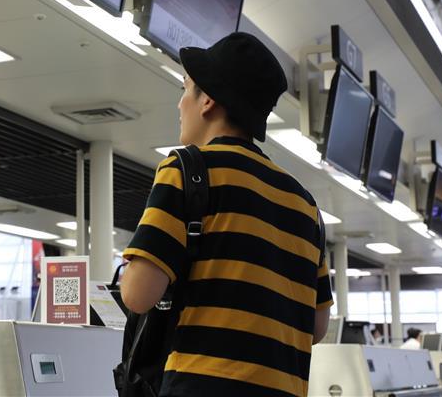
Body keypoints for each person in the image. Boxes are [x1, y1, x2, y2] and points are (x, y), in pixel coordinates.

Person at [120, 33, 333, 397]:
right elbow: (317, 326)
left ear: (208, 100)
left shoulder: (188, 169)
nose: (180, 104)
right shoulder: (304, 204)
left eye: (185, 89)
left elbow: (138, 295)